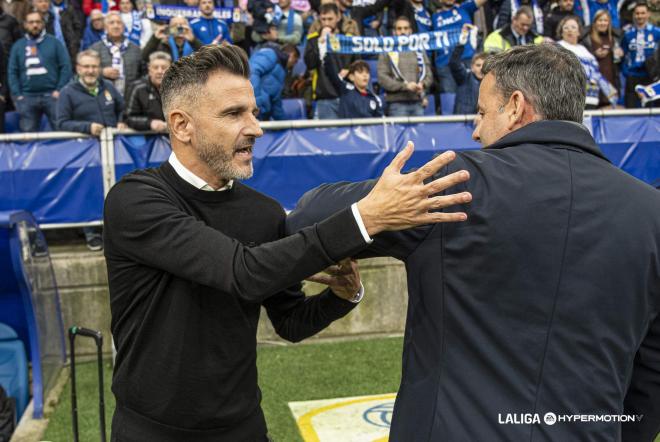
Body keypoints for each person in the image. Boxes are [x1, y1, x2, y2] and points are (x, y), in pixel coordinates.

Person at [286, 43, 660, 441]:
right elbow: (651, 377)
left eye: (482, 112)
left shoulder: (457, 185)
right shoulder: (650, 211)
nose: (476, 129)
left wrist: (384, 199)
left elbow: (307, 218)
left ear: (516, 106)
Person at [104, 43, 472, 441]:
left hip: (243, 427)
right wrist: (367, 216)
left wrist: (343, 296)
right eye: (233, 114)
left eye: (254, 113)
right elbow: (243, 272)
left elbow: (291, 322)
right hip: (150, 431)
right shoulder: (135, 200)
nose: (256, 128)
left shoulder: (262, 213)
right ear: (181, 125)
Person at [8, 11, 71, 131]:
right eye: (31, 22)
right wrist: (18, 95)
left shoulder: (54, 43)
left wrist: (59, 90)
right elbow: (12, 71)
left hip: (52, 96)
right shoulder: (18, 46)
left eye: (38, 22)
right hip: (27, 97)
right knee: (28, 135)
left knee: (61, 132)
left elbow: (66, 67)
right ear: (25, 25)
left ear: (43, 24)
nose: (35, 25)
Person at [304, 3, 360, 119]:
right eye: (323, 19)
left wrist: (349, 70)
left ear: (338, 18)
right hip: (325, 97)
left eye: (330, 19)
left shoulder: (348, 39)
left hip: (348, 95)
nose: (327, 23)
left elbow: (358, 62)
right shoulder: (313, 39)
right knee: (328, 135)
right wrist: (321, 43)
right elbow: (310, 64)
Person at [55, 49, 124, 134]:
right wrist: (88, 127)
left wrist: (122, 121)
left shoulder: (108, 86)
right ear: (78, 69)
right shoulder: (67, 93)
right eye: (86, 67)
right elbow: (62, 123)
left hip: (113, 142)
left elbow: (123, 109)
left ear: (99, 68)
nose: (91, 71)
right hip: (84, 144)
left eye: (94, 66)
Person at [377, 16, 433, 117]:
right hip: (396, 103)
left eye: (406, 28)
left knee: (419, 133)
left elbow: (428, 74)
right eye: (399, 29)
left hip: (417, 102)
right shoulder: (386, 50)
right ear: (394, 32)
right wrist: (405, 86)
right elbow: (382, 78)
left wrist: (422, 84)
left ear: (410, 31)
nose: (403, 31)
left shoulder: (419, 49)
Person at [557, 15, 617, 108]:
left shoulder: (585, 50)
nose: (569, 30)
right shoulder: (557, 47)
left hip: (591, 98)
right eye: (566, 27)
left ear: (579, 32)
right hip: (569, 100)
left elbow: (597, 75)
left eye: (573, 27)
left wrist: (611, 94)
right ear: (561, 32)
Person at [432, 0, 487, 95]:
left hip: (467, 59)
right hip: (445, 64)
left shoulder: (464, 8)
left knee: (471, 97)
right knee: (449, 103)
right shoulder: (433, 17)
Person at [90, 11, 142, 97]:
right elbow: (84, 73)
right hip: (103, 98)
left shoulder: (135, 49)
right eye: (111, 23)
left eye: (119, 23)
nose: (116, 26)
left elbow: (142, 74)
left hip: (131, 98)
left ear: (123, 26)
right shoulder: (95, 49)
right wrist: (102, 72)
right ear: (106, 27)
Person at [621, 2, 660, 107]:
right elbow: (623, 55)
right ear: (634, 15)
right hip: (632, 77)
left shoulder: (657, 33)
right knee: (631, 111)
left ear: (648, 14)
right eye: (637, 13)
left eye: (643, 13)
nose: (640, 16)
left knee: (652, 112)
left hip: (650, 78)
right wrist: (626, 72)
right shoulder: (627, 34)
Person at [581, 9, 622, 106]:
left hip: (610, 82)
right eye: (600, 20)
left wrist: (620, 54)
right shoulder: (586, 39)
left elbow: (619, 62)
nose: (603, 23)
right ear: (594, 23)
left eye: (605, 20)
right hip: (592, 85)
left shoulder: (615, 38)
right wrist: (594, 54)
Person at [249, 39, 299, 120]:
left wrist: (285, 126)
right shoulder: (270, 54)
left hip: (262, 116)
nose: (294, 65)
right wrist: (256, 103)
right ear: (292, 55)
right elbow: (252, 72)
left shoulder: (282, 71)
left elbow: (276, 102)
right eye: (295, 61)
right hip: (251, 113)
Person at [125, 51, 170, 131]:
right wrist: (150, 123)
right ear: (149, 70)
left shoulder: (178, 89)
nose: (160, 71)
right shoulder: (137, 88)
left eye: (164, 68)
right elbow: (128, 118)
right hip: (146, 136)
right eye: (155, 67)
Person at [450, 46, 486, 114]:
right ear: (472, 67)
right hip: (461, 122)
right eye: (478, 65)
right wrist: (460, 46)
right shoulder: (464, 78)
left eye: (484, 66)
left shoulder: (492, 84)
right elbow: (454, 63)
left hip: (483, 122)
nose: (481, 69)